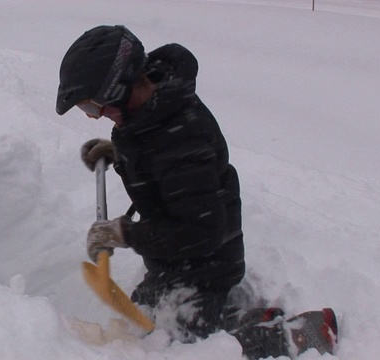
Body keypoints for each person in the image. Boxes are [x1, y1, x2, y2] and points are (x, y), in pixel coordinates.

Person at [55, 25, 337, 360]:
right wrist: (119, 157)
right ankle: (239, 320)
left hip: (206, 262)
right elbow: (159, 172)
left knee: (181, 347)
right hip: (173, 259)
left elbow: (198, 230)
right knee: (146, 321)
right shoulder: (149, 114)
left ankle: (294, 336)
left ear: (120, 89)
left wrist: (123, 233)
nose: (95, 116)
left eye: (93, 106)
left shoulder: (182, 138)